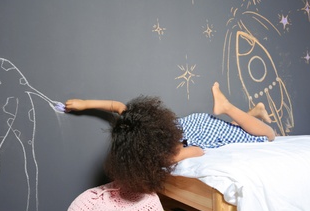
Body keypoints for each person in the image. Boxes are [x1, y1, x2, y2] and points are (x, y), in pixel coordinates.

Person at [65, 82, 275, 194]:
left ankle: (226, 106)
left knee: (268, 135)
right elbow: (116, 105)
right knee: (232, 128)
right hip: (195, 122)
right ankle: (256, 111)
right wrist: (85, 104)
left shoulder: (163, 154)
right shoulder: (137, 120)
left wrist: (181, 154)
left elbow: (198, 151)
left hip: (204, 131)